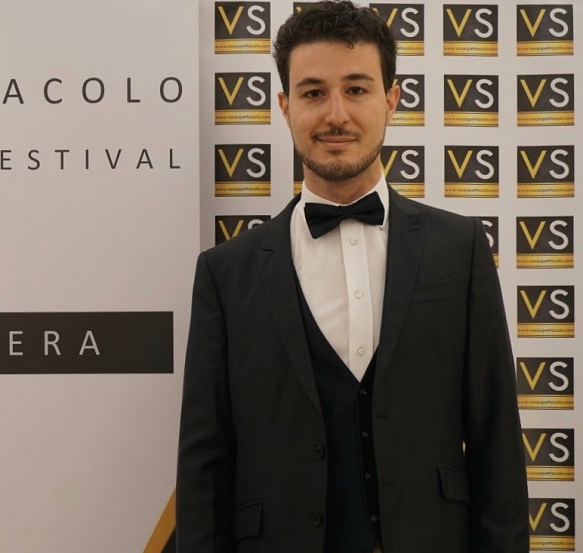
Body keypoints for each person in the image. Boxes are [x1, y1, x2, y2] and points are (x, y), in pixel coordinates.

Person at [175, 1, 528, 552]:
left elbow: (496, 444)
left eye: (357, 89)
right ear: (285, 106)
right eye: (313, 93)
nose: (335, 114)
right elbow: (205, 467)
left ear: (391, 99)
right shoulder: (225, 273)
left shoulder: (460, 251)